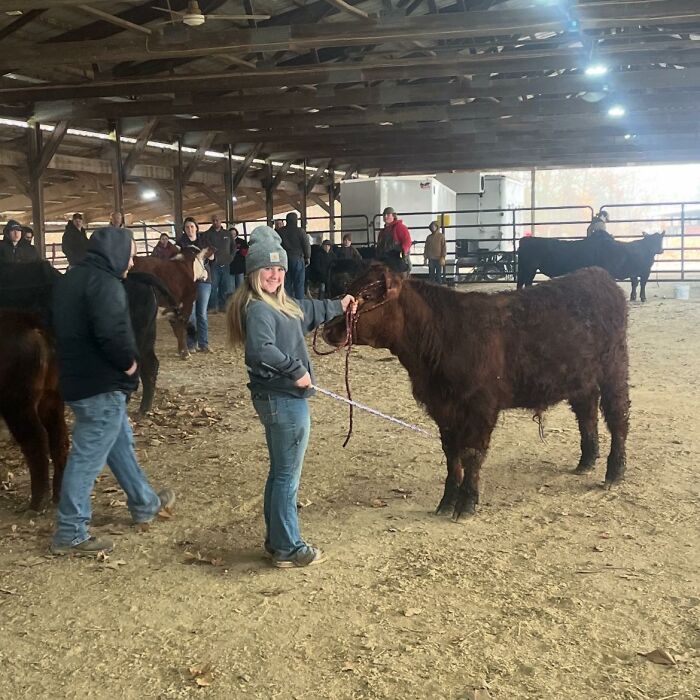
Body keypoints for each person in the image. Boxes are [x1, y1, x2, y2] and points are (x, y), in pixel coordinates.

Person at [225, 226, 355, 568]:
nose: (275, 274)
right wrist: (295, 369)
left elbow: (308, 311)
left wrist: (339, 305)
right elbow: (259, 350)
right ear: (253, 272)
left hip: (277, 398)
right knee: (287, 477)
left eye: (280, 268)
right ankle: (288, 548)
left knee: (280, 472)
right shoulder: (259, 310)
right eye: (268, 268)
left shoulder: (280, 304)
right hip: (282, 399)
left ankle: (276, 540)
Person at [49, 227, 175, 556]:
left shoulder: (71, 279)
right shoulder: (105, 285)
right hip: (101, 384)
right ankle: (70, 531)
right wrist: (130, 365)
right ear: (115, 253)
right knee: (86, 457)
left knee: (120, 445)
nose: (133, 262)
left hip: (77, 379)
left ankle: (144, 502)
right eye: (130, 254)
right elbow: (113, 334)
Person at [177, 217, 213, 353]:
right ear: (184, 229)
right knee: (190, 314)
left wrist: (204, 254)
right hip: (187, 281)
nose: (190, 229)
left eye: (192, 226)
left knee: (202, 313)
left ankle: (204, 343)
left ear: (196, 228)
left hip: (204, 280)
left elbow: (212, 257)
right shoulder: (181, 243)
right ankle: (191, 344)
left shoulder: (204, 240)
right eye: (187, 227)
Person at [204, 215, 234, 312]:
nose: (215, 222)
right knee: (213, 286)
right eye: (213, 220)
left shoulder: (227, 234)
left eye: (217, 220)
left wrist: (231, 257)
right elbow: (205, 248)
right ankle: (212, 307)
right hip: (213, 265)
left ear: (221, 221)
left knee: (225, 286)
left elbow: (233, 247)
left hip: (226, 264)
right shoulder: (207, 234)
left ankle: (223, 307)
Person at [278, 212, 310, 299]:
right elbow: (306, 245)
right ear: (296, 220)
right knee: (299, 283)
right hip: (297, 258)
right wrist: (307, 257)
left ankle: (288, 304)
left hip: (284, 259)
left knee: (287, 283)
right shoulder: (300, 231)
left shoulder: (281, 231)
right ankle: (300, 305)